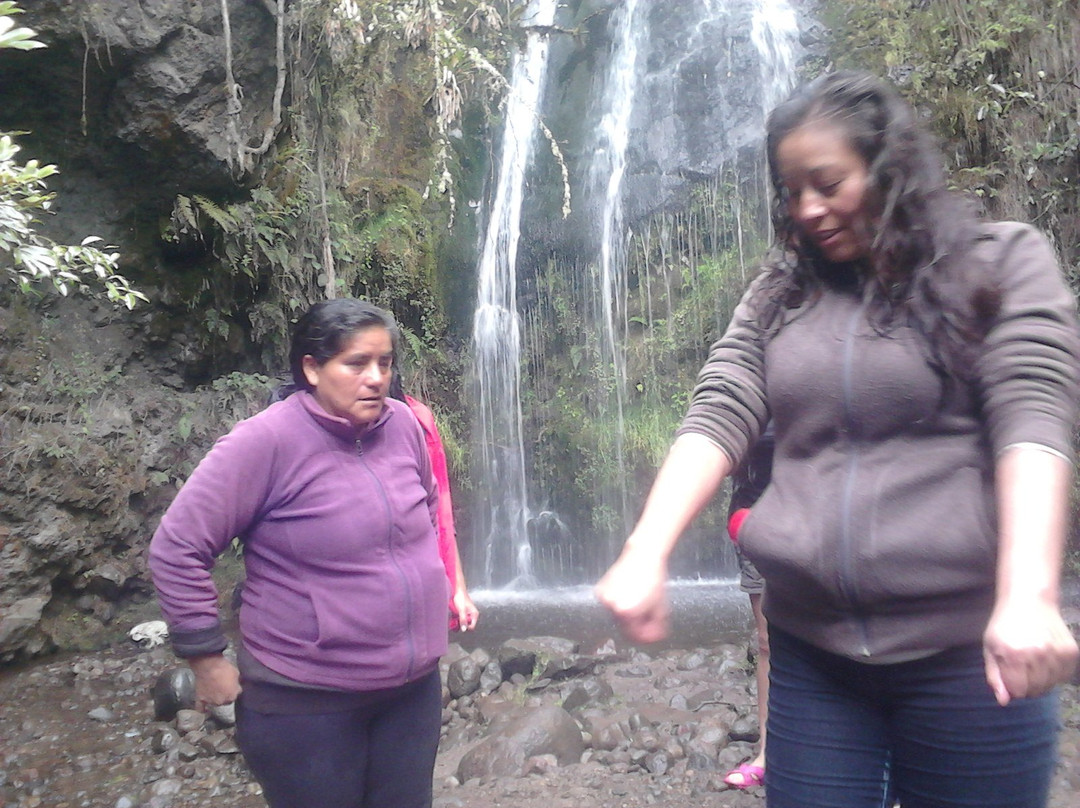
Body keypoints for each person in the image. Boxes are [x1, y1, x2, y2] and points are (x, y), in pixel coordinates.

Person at [596, 70, 1080, 808]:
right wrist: (644, 552)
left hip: (966, 652)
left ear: (887, 169)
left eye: (827, 183)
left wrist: (1028, 595)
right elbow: (720, 407)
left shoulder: (1000, 263)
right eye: (791, 191)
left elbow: (1034, 416)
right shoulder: (778, 295)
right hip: (812, 655)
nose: (807, 209)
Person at [149, 299, 448, 808]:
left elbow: (427, 510)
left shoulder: (402, 426)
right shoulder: (266, 441)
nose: (375, 378)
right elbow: (177, 547)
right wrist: (204, 657)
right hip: (307, 699)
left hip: (411, 692)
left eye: (385, 362)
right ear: (312, 367)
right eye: (356, 363)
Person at [389, 371, 480, 632]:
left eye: (383, 363)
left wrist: (458, 588)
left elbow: (441, 511)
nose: (372, 377)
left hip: (413, 586)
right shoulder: (291, 430)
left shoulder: (417, 420)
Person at [722, 427, 774, 790]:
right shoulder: (748, 373)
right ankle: (768, 753)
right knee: (768, 640)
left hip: (823, 506)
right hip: (755, 509)